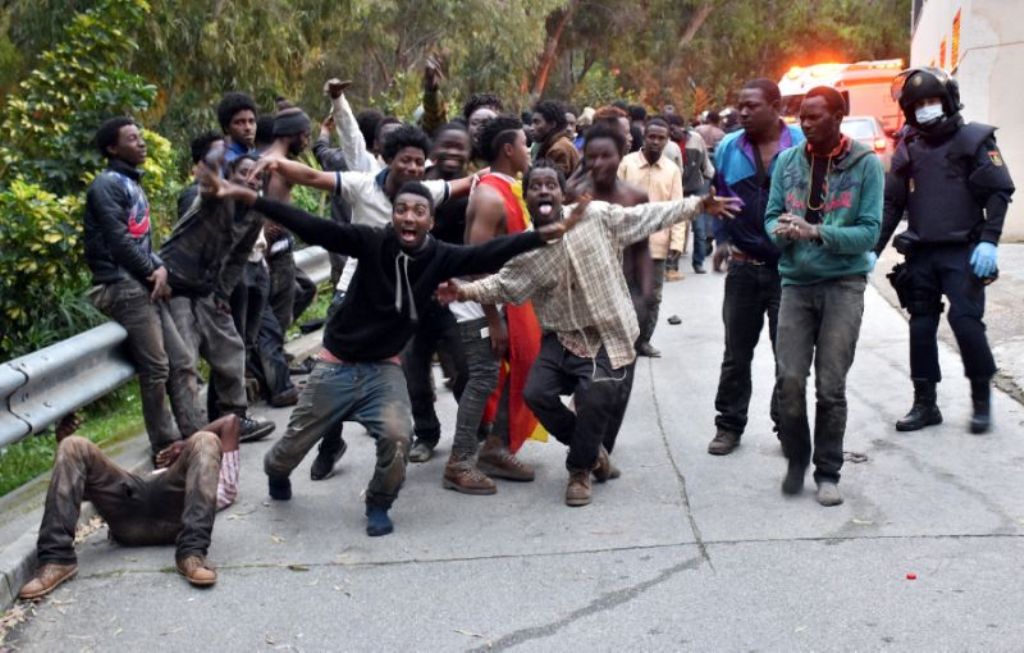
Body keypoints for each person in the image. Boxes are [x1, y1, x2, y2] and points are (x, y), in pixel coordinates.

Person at [199, 166, 581, 536]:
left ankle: (379, 503)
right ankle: (276, 472)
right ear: (393, 216)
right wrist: (251, 197)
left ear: (431, 221)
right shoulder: (370, 242)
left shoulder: (441, 256)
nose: (409, 218)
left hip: (383, 370)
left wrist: (544, 234)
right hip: (336, 366)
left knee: (399, 438)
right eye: (401, 210)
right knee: (287, 451)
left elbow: (490, 252)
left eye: (419, 212)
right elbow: (312, 225)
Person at [438, 160, 739, 506]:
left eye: (550, 184)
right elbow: (504, 284)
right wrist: (464, 292)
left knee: (596, 397)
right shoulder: (525, 246)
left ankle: (580, 471)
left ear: (561, 192)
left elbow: (648, 215)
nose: (543, 191)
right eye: (535, 186)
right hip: (560, 335)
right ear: (528, 197)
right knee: (536, 393)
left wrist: (697, 205)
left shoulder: (595, 216)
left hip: (608, 333)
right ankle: (594, 452)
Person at [248, 124, 476, 480]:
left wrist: (504, 172)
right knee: (337, 371)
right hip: (356, 289)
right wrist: (274, 163)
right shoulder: (361, 184)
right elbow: (312, 175)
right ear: (388, 160)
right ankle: (330, 444)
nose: (413, 168)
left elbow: (469, 184)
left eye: (419, 162)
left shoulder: (427, 192)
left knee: (446, 362)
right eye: (406, 161)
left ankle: (470, 433)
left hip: (414, 293)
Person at [875, 67, 1015, 435]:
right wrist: (871, 251)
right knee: (921, 326)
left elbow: (998, 192)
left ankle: (981, 400)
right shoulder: (908, 148)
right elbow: (891, 205)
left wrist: (990, 240)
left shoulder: (973, 140)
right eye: (917, 104)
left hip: (963, 252)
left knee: (965, 322)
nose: (925, 108)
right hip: (921, 253)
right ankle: (925, 404)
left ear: (948, 100)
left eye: (932, 100)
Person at [766, 85, 883, 507]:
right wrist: (779, 232)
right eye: (802, 115)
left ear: (838, 117)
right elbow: (770, 215)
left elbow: (870, 232)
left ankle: (828, 471)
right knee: (789, 378)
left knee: (831, 386)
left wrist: (816, 231)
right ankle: (797, 459)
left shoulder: (866, 165)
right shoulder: (787, 162)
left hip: (843, 285)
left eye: (815, 116)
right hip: (796, 283)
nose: (805, 123)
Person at [18, 414, 244, 599]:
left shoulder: (221, 480)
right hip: (128, 503)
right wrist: (61, 442)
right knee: (73, 445)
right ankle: (55, 560)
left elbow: (230, 423)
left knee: (206, 439)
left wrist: (185, 446)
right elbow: (78, 489)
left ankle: (193, 554)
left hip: (173, 508)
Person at [83, 117, 203, 454]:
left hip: (140, 281)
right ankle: (165, 443)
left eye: (141, 137)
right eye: (132, 138)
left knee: (181, 359)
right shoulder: (107, 185)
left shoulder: (130, 182)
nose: (141, 143)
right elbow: (119, 242)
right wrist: (153, 271)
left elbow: (142, 241)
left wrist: (158, 267)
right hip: (120, 284)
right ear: (112, 148)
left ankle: (195, 434)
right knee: (157, 366)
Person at [705, 79, 805, 457]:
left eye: (752, 106)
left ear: (776, 106)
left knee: (789, 355)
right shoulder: (730, 146)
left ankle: (787, 426)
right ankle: (728, 425)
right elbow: (720, 198)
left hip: (790, 271)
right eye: (740, 105)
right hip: (744, 268)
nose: (742, 112)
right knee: (736, 353)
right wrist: (721, 239)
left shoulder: (800, 143)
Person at [161, 135, 280, 435]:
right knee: (184, 360)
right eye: (243, 172)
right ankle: (194, 433)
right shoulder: (212, 197)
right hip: (174, 284)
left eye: (258, 175)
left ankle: (234, 419)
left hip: (206, 289)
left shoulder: (256, 212)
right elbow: (209, 184)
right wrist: (215, 158)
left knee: (231, 347)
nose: (251, 178)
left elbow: (238, 257)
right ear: (229, 175)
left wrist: (223, 293)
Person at [449, 114, 541, 489]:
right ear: (508, 149)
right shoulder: (489, 194)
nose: (529, 150)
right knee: (484, 380)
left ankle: (496, 445)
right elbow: (476, 264)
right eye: (524, 143)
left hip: (505, 304)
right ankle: (460, 463)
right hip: (481, 308)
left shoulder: (506, 186)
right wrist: (495, 320)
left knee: (525, 370)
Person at [401, 122, 472, 466]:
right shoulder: (417, 189)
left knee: (463, 368)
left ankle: (472, 428)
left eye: (461, 147)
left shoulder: (472, 190)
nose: (454, 153)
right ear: (434, 149)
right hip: (412, 297)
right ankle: (426, 433)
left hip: (452, 294)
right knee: (413, 371)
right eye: (448, 145)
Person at [618, 117, 684, 358]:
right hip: (625, 242)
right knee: (623, 292)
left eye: (661, 138)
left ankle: (643, 341)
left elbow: (677, 207)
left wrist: (677, 242)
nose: (655, 142)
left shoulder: (672, 170)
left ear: (667, 141)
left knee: (652, 296)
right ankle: (623, 340)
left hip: (656, 245)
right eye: (651, 137)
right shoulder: (626, 164)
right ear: (643, 138)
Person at [531, 100, 580, 177]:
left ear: (552, 124)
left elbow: (552, 183)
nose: (532, 128)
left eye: (537, 122)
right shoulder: (558, 143)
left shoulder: (558, 150)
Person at [216, 92, 258, 164]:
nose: (248, 128)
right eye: (239, 122)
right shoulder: (227, 161)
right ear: (226, 127)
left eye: (251, 121)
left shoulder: (254, 154)